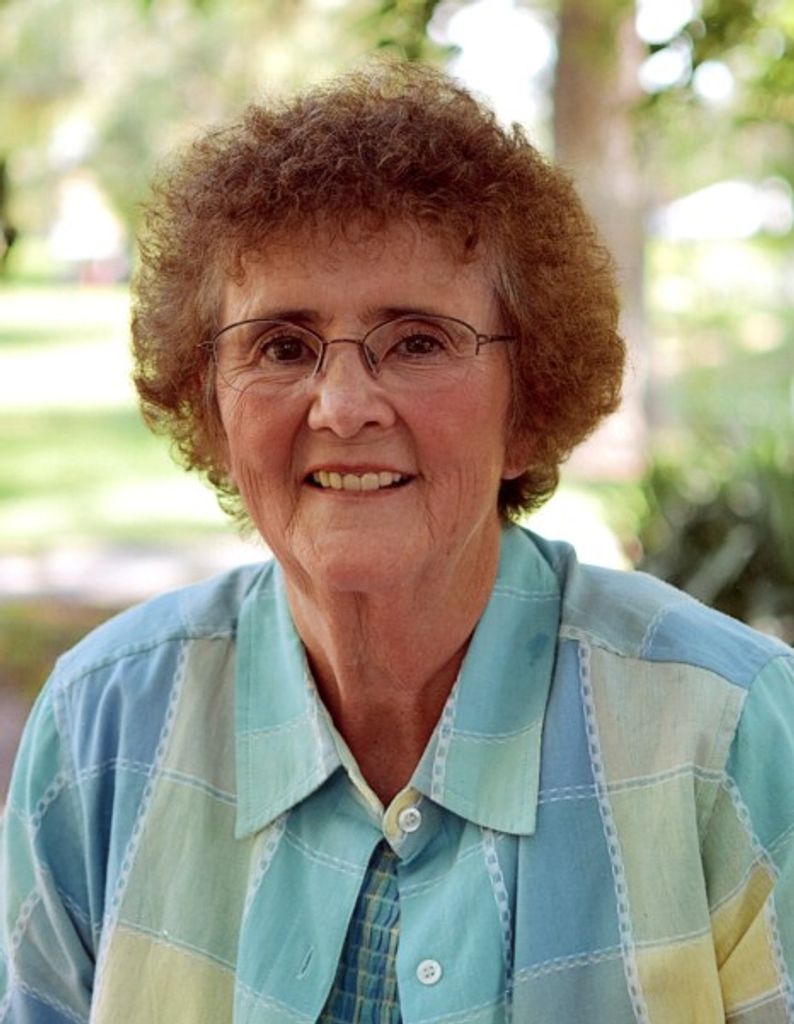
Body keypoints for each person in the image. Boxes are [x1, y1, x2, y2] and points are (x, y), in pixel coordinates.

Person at [1, 62, 793, 1024]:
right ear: (211, 408)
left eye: (417, 341)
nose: (342, 408)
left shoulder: (728, 736)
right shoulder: (100, 731)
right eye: (282, 346)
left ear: (530, 403)